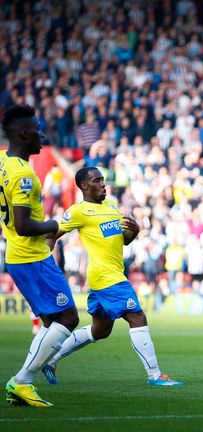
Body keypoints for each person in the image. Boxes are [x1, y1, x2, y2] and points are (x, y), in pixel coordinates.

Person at [41, 166, 182, 387]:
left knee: (101, 330)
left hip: (109, 275)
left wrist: (133, 232)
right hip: (107, 277)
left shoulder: (111, 207)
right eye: (97, 180)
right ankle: (155, 375)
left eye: (103, 180)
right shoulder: (78, 212)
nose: (103, 184)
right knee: (137, 318)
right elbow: (53, 233)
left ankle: (50, 360)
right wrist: (42, 262)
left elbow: (122, 240)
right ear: (84, 186)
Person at [1, 105, 79, 407]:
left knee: (50, 323)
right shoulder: (24, 175)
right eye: (37, 129)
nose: (42, 135)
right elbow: (23, 226)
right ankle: (22, 380)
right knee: (69, 318)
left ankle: (23, 385)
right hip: (32, 256)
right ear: (23, 133)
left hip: (18, 256)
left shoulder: (2, 162)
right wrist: (56, 225)